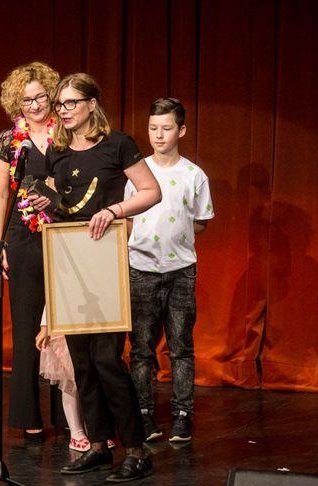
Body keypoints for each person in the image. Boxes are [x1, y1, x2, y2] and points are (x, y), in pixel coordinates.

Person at [33, 73, 162, 483]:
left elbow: (151, 191)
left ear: (92, 104)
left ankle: (137, 450)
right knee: (82, 362)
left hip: (104, 260)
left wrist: (114, 211)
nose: (64, 110)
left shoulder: (117, 144)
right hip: (69, 261)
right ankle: (100, 446)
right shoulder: (57, 153)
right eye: (61, 104)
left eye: (72, 102)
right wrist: (43, 203)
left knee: (107, 359)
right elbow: (61, 204)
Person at [124, 97, 214, 442]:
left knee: (181, 346)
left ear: (181, 130)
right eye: (153, 128)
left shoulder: (194, 175)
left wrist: (176, 237)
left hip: (180, 271)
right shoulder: (137, 172)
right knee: (141, 348)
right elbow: (127, 217)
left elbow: (201, 221)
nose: (159, 135)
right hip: (141, 268)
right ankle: (143, 413)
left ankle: (182, 415)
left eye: (166, 128)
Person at [0, 62, 60, 438]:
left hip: (63, 234)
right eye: (26, 100)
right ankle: (29, 415)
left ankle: (68, 415)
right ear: (17, 103)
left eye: (40, 97)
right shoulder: (8, 140)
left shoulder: (66, 133)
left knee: (64, 326)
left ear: (51, 95)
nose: (34, 105)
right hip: (22, 236)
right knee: (27, 326)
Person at [35, 313, 116, 452]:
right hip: (67, 325)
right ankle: (76, 432)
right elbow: (53, 299)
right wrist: (45, 325)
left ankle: (97, 432)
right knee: (70, 379)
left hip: (92, 323)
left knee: (95, 376)